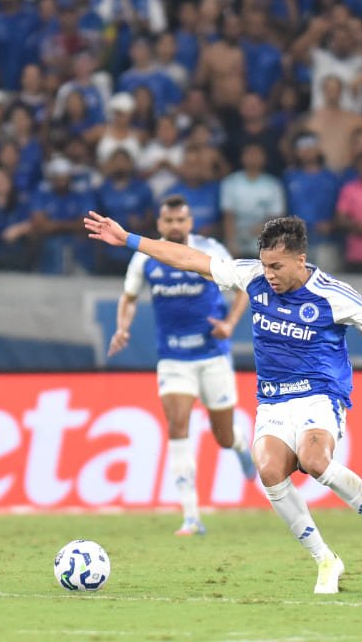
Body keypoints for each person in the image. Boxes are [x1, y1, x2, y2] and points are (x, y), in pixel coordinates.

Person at [84, 211, 362, 594]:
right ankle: (325, 560)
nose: (270, 275)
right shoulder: (252, 277)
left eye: (277, 267)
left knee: (315, 461)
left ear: (301, 259)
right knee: (268, 470)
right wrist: (129, 240)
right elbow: (188, 258)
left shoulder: (335, 296)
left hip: (320, 396)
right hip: (273, 402)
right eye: (265, 265)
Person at [109, 195, 255, 536]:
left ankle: (239, 444)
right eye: (168, 221)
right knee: (177, 428)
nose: (175, 226)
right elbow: (129, 297)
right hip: (173, 359)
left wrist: (230, 325)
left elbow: (243, 289)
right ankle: (192, 516)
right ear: (160, 225)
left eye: (181, 221)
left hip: (213, 355)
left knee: (223, 436)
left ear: (190, 224)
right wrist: (123, 327)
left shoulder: (210, 249)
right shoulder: (145, 257)